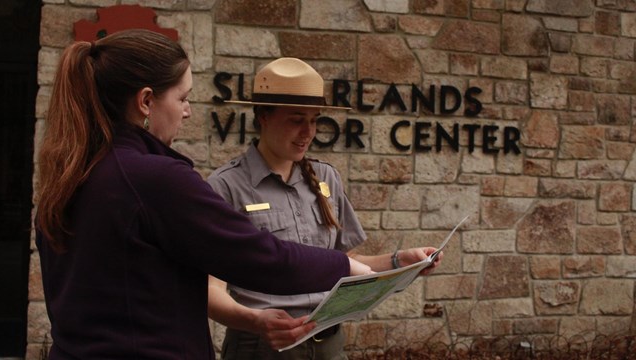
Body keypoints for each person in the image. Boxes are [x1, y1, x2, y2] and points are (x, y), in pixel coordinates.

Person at [35, 30, 372, 360]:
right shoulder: (154, 178)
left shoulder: (72, 173)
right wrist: (343, 265)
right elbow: (261, 258)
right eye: (182, 98)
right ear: (146, 101)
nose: (188, 112)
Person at [207, 57, 444, 360]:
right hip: (264, 347)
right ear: (263, 116)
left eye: (314, 119)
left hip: (329, 345)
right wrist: (255, 321)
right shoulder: (226, 186)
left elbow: (344, 263)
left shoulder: (325, 177)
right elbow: (209, 289)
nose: (308, 131)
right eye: (296, 119)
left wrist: (401, 261)